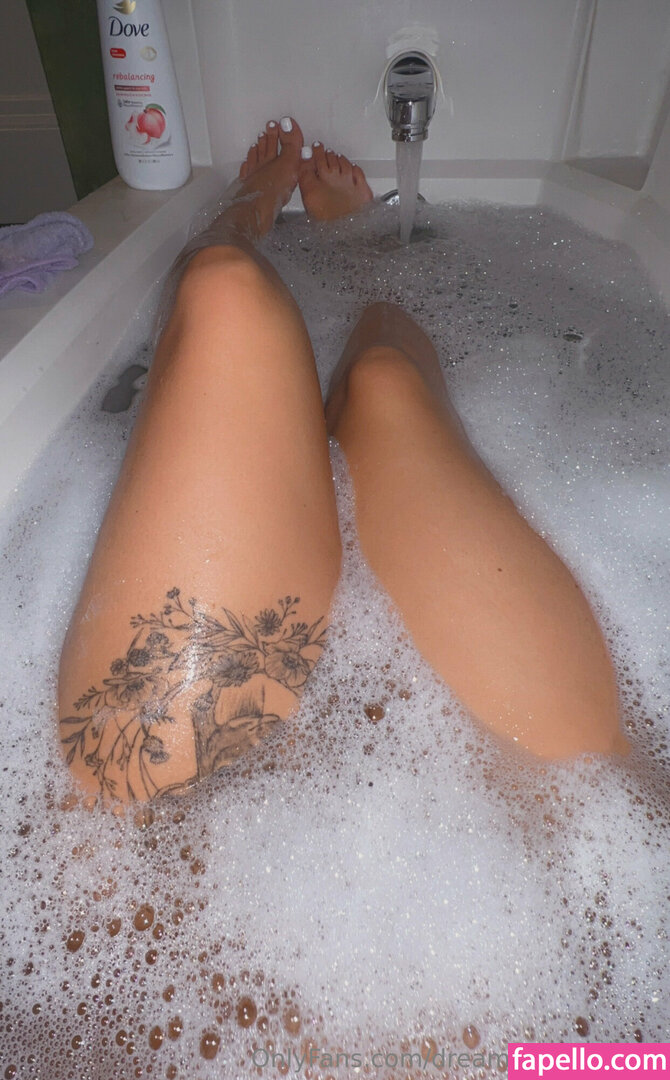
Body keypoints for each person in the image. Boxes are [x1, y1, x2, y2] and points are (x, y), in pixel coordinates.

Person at [58, 117, 629, 804]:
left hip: (167, 823)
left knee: (222, 289)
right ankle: (368, 265)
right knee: (383, 377)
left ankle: (244, 214)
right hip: (541, 835)